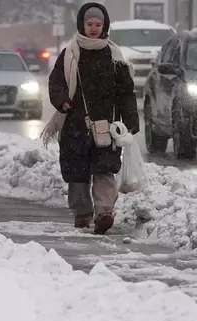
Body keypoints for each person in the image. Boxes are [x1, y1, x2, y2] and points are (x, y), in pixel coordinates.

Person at [42, 2, 138, 235]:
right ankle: (82, 213)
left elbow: (125, 91)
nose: (94, 28)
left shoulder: (114, 55)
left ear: (104, 25)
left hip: (106, 125)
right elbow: (56, 82)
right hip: (75, 123)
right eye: (90, 24)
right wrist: (62, 100)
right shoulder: (69, 54)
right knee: (77, 173)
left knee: (105, 169)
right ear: (81, 25)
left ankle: (104, 213)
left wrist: (130, 120)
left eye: (98, 24)